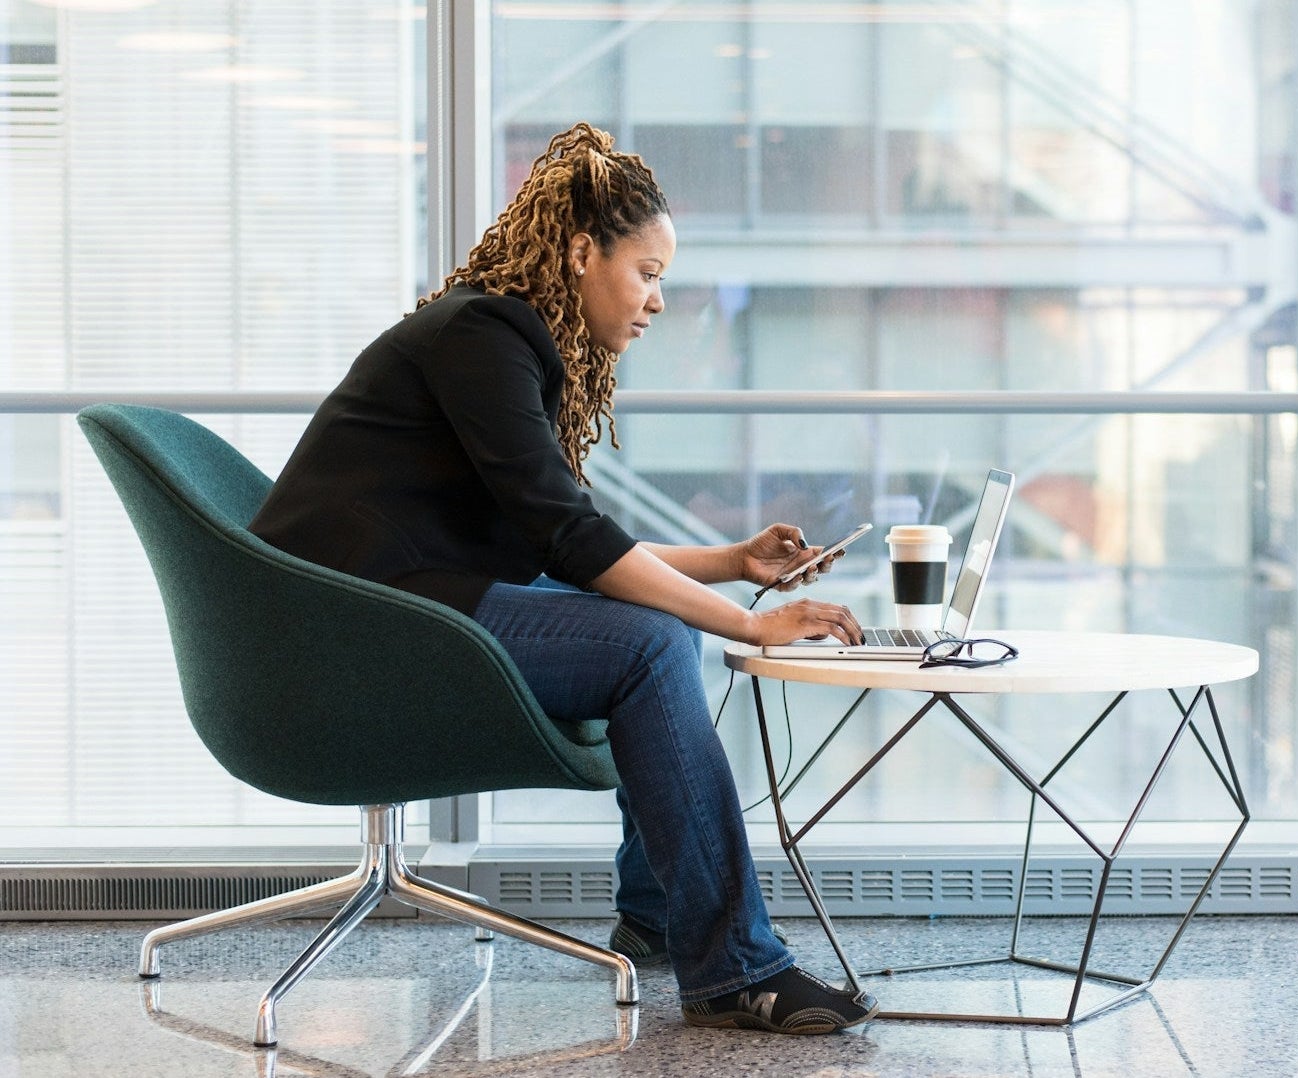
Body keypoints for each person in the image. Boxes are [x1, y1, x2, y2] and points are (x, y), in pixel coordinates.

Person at [250, 122, 877, 1035]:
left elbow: (565, 537)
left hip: (391, 603)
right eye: (649, 272)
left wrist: (732, 566)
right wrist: (747, 622)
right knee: (656, 640)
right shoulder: (484, 334)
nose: (659, 300)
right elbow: (571, 538)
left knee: (658, 626)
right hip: (350, 627)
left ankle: (660, 918)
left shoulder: (496, 338)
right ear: (583, 253)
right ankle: (736, 968)